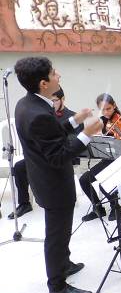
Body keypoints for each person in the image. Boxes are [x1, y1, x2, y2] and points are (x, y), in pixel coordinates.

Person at [14, 56, 102, 293]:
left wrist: (75, 120)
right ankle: (58, 286)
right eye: (54, 73)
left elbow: (49, 134)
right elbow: (57, 154)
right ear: (43, 83)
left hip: (42, 179)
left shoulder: (27, 103)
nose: (58, 75)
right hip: (53, 184)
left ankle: (64, 263)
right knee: (57, 235)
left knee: (60, 233)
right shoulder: (39, 112)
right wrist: (86, 134)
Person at [10, 86, 82, 219]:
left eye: (55, 100)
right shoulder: (43, 113)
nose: (52, 104)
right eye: (51, 100)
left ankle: (54, 200)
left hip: (63, 156)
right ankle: (24, 203)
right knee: (19, 167)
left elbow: (73, 142)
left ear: (63, 99)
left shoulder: (73, 116)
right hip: (43, 155)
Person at [79, 93, 121, 222]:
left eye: (109, 109)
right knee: (84, 180)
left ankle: (115, 207)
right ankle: (98, 209)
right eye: (103, 109)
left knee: (104, 182)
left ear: (114, 106)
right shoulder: (102, 120)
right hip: (108, 159)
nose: (106, 112)